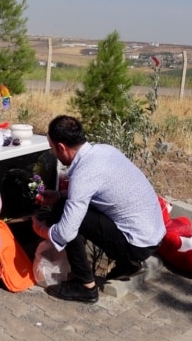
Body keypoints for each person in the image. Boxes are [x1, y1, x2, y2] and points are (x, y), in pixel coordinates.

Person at [31, 115, 166, 303]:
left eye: (52, 148)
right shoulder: (104, 151)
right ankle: (127, 264)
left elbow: (67, 231)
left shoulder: (83, 174)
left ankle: (85, 286)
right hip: (153, 236)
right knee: (66, 205)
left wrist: (42, 230)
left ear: (61, 147)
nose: (53, 153)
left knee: (64, 213)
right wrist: (60, 195)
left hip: (136, 245)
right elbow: (95, 188)